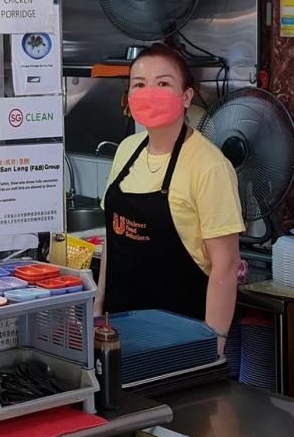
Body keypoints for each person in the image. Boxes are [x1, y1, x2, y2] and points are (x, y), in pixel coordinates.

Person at [96, 43, 243, 348]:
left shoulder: (209, 165)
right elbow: (113, 238)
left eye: (163, 84)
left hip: (181, 335)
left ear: (186, 96)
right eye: (139, 85)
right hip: (117, 328)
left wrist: (214, 345)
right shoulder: (127, 150)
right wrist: (99, 307)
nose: (149, 92)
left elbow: (226, 265)